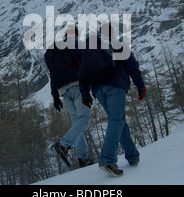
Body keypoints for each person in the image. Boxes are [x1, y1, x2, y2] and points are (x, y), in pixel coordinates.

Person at [78, 23, 146, 177]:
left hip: (97, 90)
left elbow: (81, 72)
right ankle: (108, 159)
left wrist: (85, 94)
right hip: (115, 86)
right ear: (112, 33)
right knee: (116, 120)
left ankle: (133, 157)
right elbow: (132, 66)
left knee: (119, 120)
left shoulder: (89, 51)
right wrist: (141, 86)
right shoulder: (116, 44)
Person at [44, 24, 94, 168]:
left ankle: (82, 158)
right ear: (76, 34)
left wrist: (55, 96)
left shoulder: (56, 50)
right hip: (78, 87)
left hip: (64, 91)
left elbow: (53, 74)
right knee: (83, 120)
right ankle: (62, 145)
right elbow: (86, 65)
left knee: (76, 124)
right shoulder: (76, 44)